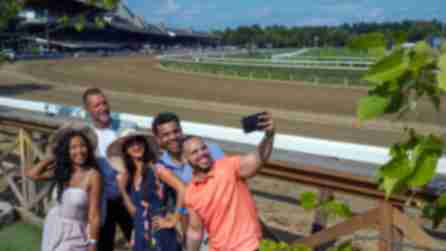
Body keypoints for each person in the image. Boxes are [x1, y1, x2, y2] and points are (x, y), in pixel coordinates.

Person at [183, 112, 275, 251]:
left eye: (203, 148)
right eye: (194, 152)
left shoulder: (228, 166)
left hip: (248, 247)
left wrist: (268, 136)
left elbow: (259, 158)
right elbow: (195, 231)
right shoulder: (191, 193)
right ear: (186, 159)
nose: (202, 153)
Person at [151, 112, 224, 250]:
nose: (173, 137)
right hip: (196, 230)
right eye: (166, 134)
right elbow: (178, 205)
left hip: (224, 223)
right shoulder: (162, 167)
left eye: (176, 131)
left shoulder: (209, 150)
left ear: (181, 131)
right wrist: (174, 222)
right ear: (158, 139)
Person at [25, 123, 102, 251]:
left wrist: (93, 243)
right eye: (73, 147)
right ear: (66, 150)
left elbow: (94, 215)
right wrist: (52, 157)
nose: (79, 151)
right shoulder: (62, 171)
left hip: (76, 234)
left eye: (82, 146)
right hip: (54, 226)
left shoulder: (93, 175)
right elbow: (32, 174)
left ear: (88, 148)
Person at [108, 128, 185, 251]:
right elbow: (134, 212)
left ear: (145, 144)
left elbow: (182, 188)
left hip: (160, 233)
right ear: (125, 150)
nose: (136, 146)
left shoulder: (157, 169)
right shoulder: (129, 176)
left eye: (138, 141)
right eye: (130, 144)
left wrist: (175, 219)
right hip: (140, 234)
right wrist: (122, 189)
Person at [82, 87, 136, 251]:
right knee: (104, 244)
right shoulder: (85, 135)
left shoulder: (126, 129)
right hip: (100, 201)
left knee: (141, 241)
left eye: (104, 103)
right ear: (87, 109)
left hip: (127, 197)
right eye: (97, 105)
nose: (103, 108)